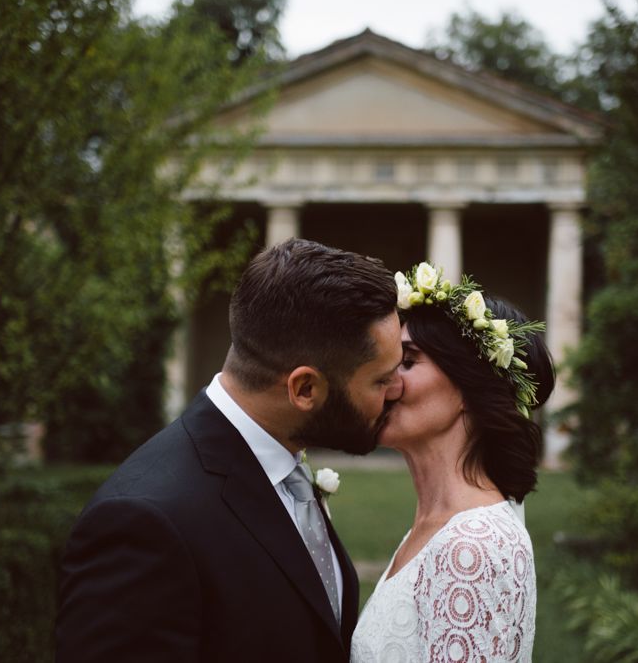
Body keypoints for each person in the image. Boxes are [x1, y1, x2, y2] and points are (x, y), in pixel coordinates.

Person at [56, 238, 404, 663]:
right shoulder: (144, 524)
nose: (398, 389)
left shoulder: (283, 468)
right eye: (380, 381)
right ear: (305, 389)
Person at [351, 262, 555, 663]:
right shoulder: (433, 527)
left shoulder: (470, 546)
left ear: (469, 385)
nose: (385, 381)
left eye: (406, 362)